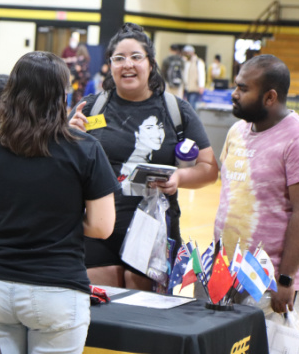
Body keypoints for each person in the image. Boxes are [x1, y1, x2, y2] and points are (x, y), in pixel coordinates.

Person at [0, 51, 118, 354]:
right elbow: (102, 227)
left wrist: (6, 215)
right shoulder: (86, 148)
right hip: (57, 291)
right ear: (62, 94)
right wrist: (55, 218)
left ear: (12, 90)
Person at [69, 23, 219, 291]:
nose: (128, 64)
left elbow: (209, 168)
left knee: (141, 318)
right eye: (119, 58)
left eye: (136, 57)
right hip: (98, 227)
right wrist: (68, 137)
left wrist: (180, 176)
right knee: (100, 313)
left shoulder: (176, 111)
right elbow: (59, 166)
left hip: (154, 231)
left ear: (150, 63)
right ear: (110, 65)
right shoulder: (92, 109)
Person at [214, 54, 299, 315]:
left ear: (270, 97)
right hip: (226, 271)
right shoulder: (236, 131)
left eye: (243, 89)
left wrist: (286, 279)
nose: (234, 94)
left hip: (269, 283)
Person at [182, 45, 206, 110]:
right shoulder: (185, 62)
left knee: (192, 106)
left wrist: (201, 86)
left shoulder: (198, 62)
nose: (186, 54)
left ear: (192, 52)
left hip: (194, 88)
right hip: (186, 88)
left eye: (188, 52)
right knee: (187, 105)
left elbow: (202, 74)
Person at [70, 43, 91, 108]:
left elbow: (76, 69)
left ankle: (75, 109)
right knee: (80, 95)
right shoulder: (86, 59)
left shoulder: (79, 59)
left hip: (78, 81)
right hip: (84, 80)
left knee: (76, 95)